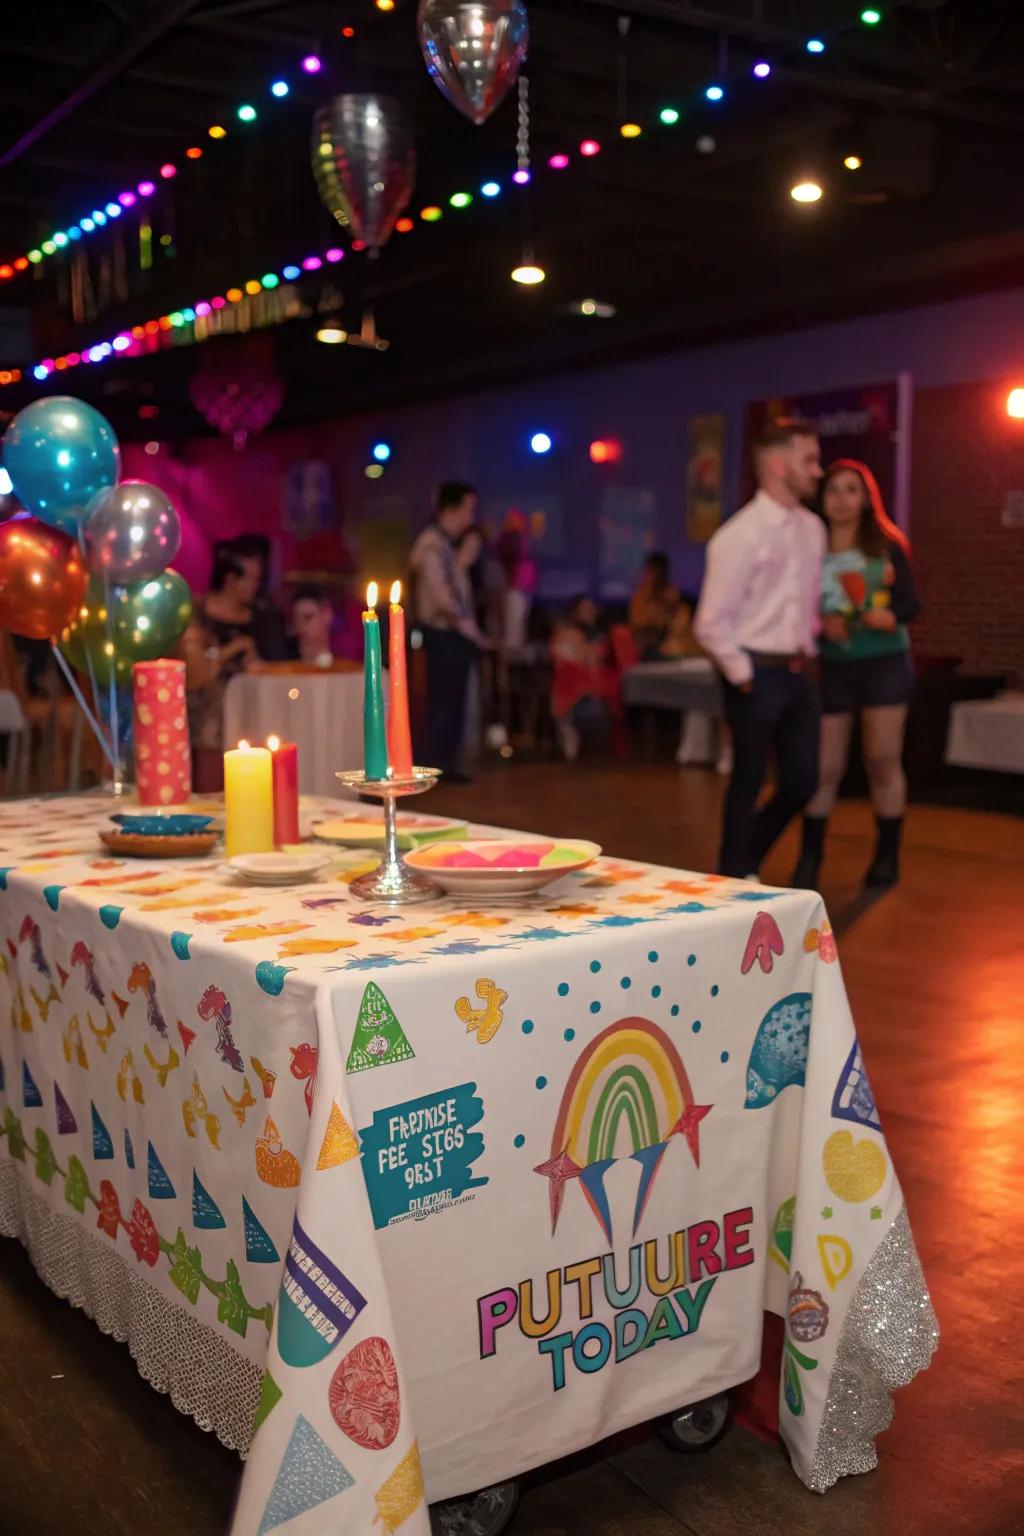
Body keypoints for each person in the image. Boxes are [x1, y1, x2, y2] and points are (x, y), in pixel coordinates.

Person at [694, 419, 825, 878]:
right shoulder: (739, 535)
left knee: (803, 779)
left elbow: (806, 602)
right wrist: (743, 673)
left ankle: (744, 858)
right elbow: (710, 622)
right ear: (776, 465)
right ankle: (733, 875)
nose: (818, 471)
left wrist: (809, 648)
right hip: (754, 670)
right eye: (808, 460)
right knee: (747, 779)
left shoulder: (813, 529)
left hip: (798, 671)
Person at [792, 460, 921, 890]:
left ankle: (887, 857)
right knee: (824, 766)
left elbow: (910, 603)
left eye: (852, 490)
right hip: (833, 667)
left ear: (867, 498)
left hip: (884, 662)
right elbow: (793, 606)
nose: (842, 499)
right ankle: (810, 858)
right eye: (833, 490)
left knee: (882, 759)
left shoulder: (886, 544)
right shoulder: (810, 547)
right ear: (821, 498)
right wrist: (819, 622)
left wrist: (890, 614)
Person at [408, 481, 479, 781]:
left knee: (451, 701)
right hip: (443, 634)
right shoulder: (431, 545)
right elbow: (443, 597)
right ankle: (437, 766)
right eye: (467, 509)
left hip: (452, 633)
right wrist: (467, 628)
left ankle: (445, 764)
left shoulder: (445, 546)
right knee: (443, 701)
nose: (470, 518)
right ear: (450, 510)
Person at [180, 545, 262, 790]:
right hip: (204, 698)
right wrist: (233, 648)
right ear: (229, 579)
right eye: (249, 578)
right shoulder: (198, 612)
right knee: (213, 719)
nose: (255, 585)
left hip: (246, 700)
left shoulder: (257, 616)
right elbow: (194, 662)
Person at [550, 595, 616, 761]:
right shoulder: (566, 633)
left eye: (592, 608)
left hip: (597, 693)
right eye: (585, 609)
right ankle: (568, 730)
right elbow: (564, 656)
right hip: (571, 695)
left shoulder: (601, 636)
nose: (591, 612)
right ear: (575, 612)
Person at [629, 552, 681, 659]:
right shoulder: (641, 596)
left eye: (659, 571)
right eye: (651, 571)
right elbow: (639, 626)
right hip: (647, 647)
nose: (655, 575)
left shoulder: (672, 594)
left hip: (670, 645)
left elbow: (677, 623)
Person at [290, 584, 336, 668]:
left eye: (308, 617)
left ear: (327, 615)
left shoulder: (348, 657)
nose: (301, 625)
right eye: (296, 618)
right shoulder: (285, 662)